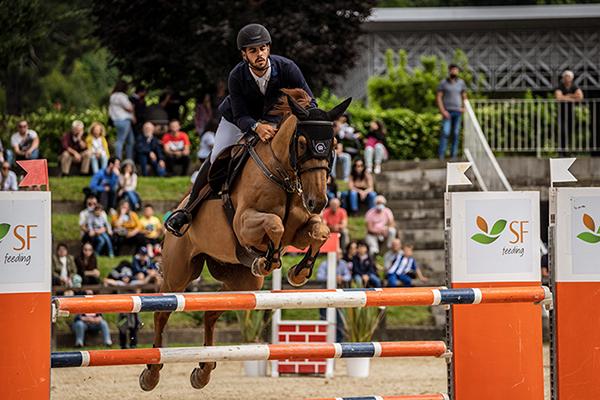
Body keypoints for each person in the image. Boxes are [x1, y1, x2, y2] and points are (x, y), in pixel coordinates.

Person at [165, 23, 316, 236]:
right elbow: (240, 115)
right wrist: (256, 127)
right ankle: (188, 209)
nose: (259, 54)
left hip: (275, 121)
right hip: (238, 122)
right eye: (253, 50)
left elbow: (310, 101)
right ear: (244, 54)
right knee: (217, 154)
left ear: (269, 49)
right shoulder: (236, 76)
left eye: (262, 48)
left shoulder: (287, 67)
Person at [436, 64, 468, 160]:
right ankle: (441, 156)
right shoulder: (443, 83)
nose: (454, 72)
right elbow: (439, 97)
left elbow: (464, 96)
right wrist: (443, 111)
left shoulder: (461, 83)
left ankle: (453, 156)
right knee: (445, 132)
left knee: (455, 133)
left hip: (457, 112)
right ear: (449, 71)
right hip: (447, 112)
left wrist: (464, 107)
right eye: (452, 70)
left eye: (456, 70)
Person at [555, 70, 584, 155]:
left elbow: (580, 96)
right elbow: (558, 97)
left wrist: (567, 96)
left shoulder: (574, 86)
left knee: (570, 131)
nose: (567, 79)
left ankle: (569, 150)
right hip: (562, 113)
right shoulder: (560, 87)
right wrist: (572, 98)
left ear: (571, 78)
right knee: (562, 131)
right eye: (566, 77)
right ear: (563, 78)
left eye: (569, 77)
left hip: (571, 113)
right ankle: (562, 150)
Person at [109, 80, 135, 160]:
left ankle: (129, 161)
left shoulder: (112, 96)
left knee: (130, 141)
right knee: (120, 141)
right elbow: (129, 108)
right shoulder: (122, 96)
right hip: (124, 120)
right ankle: (118, 160)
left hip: (116, 120)